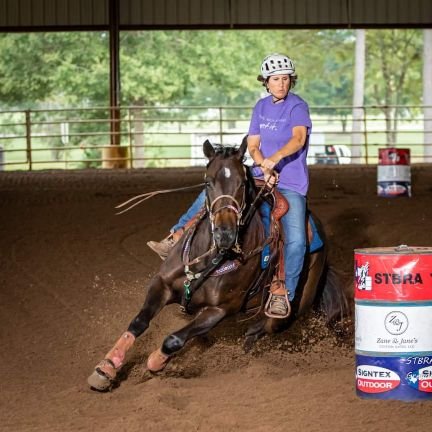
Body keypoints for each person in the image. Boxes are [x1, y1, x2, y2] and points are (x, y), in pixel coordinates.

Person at [147, 53, 312, 319]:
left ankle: (282, 292)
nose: (281, 84)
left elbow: (298, 139)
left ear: (291, 81)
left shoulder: (297, 106)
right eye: (275, 79)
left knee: (296, 241)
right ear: (266, 82)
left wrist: (276, 160)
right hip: (259, 173)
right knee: (215, 193)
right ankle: (176, 236)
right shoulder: (260, 107)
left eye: (285, 79)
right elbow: (253, 144)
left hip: (290, 182)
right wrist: (263, 165)